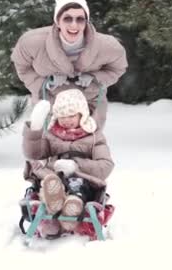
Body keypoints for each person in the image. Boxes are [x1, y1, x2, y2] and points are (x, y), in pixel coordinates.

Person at [10, 0, 128, 131]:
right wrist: (46, 83)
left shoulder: (109, 46)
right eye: (67, 19)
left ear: (86, 22)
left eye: (80, 19)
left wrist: (95, 78)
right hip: (49, 100)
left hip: (90, 101)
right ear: (57, 21)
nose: (74, 25)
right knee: (45, 146)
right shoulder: (31, 42)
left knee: (88, 146)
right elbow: (22, 66)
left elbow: (117, 68)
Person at [22, 88, 114, 236]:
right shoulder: (50, 135)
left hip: (82, 180)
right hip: (55, 176)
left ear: (82, 115)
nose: (66, 120)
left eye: (71, 115)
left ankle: (72, 205)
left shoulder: (95, 138)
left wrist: (76, 166)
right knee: (49, 182)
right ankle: (53, 207)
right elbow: (34, 153)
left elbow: (106, 166)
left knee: (77, 184)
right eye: (62, 116)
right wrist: (35, 130)